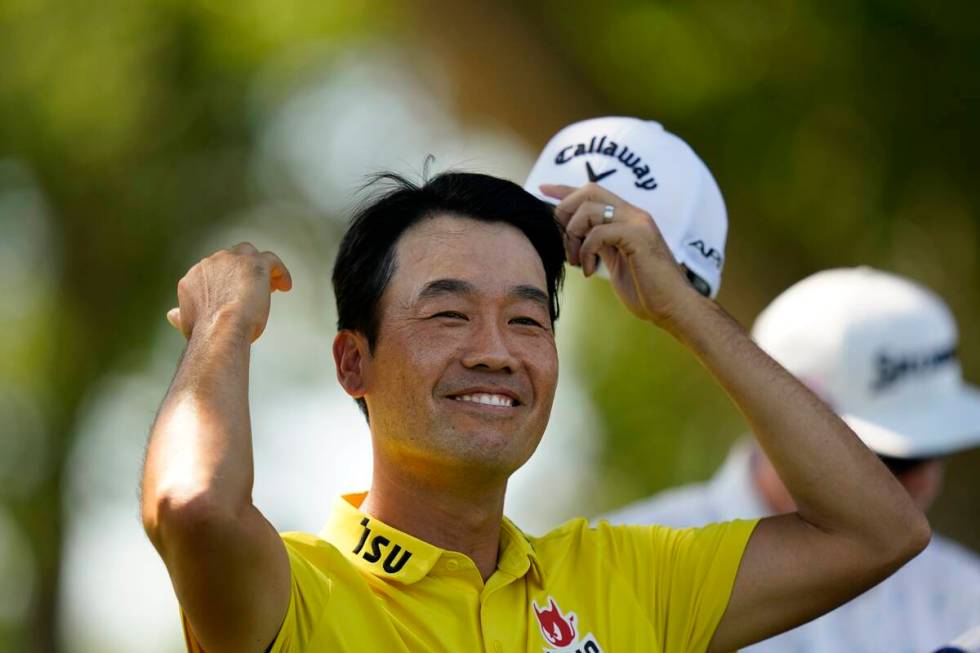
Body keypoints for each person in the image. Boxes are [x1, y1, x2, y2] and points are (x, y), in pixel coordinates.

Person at [140, 161, 929, 652]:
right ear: (354, 362)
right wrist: (223, 327)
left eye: (526, 318)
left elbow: (880, 528)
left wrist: (682, 311)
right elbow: (194, 505)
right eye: (449, 314)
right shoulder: (295, 592)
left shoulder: (627, 577)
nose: (497, 350)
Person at [604, 267, 980, 653]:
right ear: (780, 423)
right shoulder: (622, 575)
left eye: (934, 450)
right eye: (889, 460)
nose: (921, 480)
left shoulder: (966, 598)